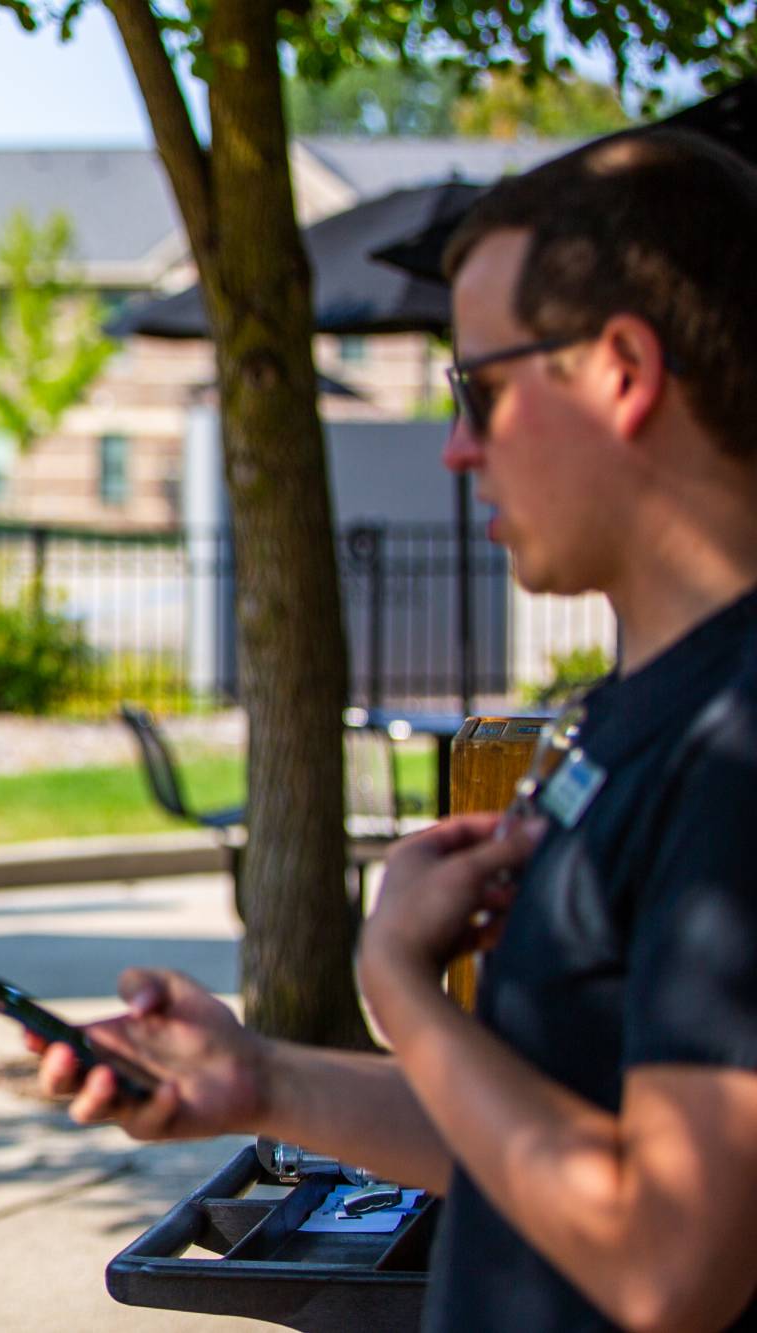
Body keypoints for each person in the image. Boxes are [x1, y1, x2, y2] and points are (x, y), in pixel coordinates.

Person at [38, 129, 757, 1332]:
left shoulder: (731, 746)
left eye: (480, 390)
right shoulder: (632, 713)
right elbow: (536, 1136)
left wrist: (399, 991)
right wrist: (259, 1079)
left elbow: (667, 1258)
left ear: (621, 372)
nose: (455, 447)